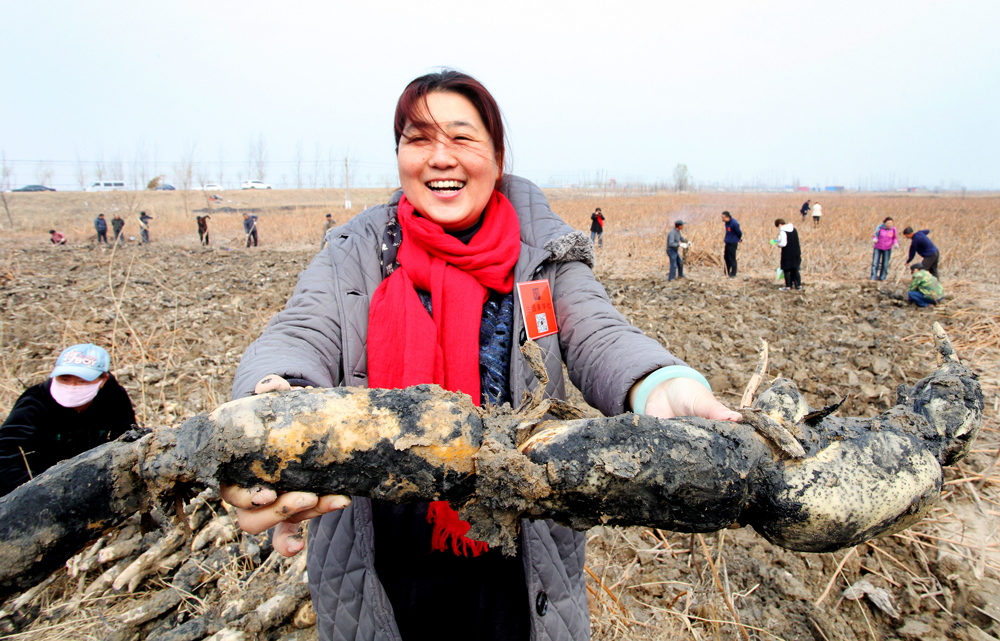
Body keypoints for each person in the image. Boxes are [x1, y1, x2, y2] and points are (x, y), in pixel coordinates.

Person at [220, 70, 739, 641]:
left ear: (496, 155)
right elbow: (300, 332)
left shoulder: (541, 255)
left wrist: (660, 383)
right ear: (399, 156)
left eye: (462, 138)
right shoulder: (358, 252)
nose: (440, 158)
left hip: (519, 564)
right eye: (418, 138)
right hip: (382, 562)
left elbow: (599, 332)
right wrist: (270, 408)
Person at [0, 344, 136, 498]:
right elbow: (3, 458)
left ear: (102, 380)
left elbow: (127, 437)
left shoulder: (113, 395)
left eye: (82, 381)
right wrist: (44, 492)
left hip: (88, 476)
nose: (72, 387)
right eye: (64, 379)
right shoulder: (33, 405)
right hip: (37, 484)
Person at [772, 218, 801, 290]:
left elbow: (784, 243)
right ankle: (799, 286)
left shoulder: (783, 231)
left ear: (779, 225)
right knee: (795, 269)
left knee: (787, 270)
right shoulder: (794, 229)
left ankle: (788, 286)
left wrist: (778, 243)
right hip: (796, 252)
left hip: (787, 253)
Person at [721, 211, 742, 278]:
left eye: (723, 217)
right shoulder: (727, 223)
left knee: (732, 258)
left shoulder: (734, 223)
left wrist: (737, 239)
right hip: (728, 242)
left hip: (732, 243)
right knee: (726, 257)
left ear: (728, 217)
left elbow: (739, 232)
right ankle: (727, 271)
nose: (722, 219)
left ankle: (733, 273)